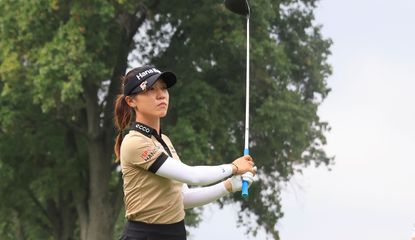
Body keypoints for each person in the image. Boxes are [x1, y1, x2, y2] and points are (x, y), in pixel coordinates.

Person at [113, 65, 257, 240]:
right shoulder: (134, 142)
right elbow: (193, 176)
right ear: (131, 101)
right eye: (150, 89)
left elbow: (183, 198)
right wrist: (233, 167)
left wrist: (228, 186)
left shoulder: (164, 141)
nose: (161, 95)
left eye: (164, 88)